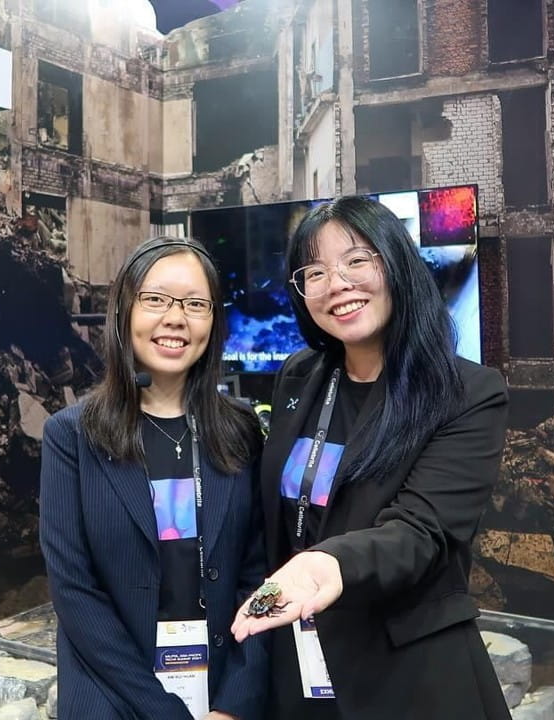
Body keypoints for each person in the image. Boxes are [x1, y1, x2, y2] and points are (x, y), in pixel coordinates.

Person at [230, 197, 511, 720]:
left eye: (357, 260)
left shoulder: (468, 392)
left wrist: (328, 563)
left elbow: (421, 531)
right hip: (299, 670)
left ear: (396, 264)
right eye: (314, 271)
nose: (337, 283)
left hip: (407, 677)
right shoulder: (300, 376)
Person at [41, 236, 268, 720]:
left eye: (195, 303)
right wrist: (162, 711)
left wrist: (235, 701)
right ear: (124, 311)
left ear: (213, 320)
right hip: (111, 695)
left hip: (223, 689)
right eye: (156, 299)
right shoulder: (71, 436)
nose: (175, 317)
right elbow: (75, 592)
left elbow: (258, 576)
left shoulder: (241, 428)